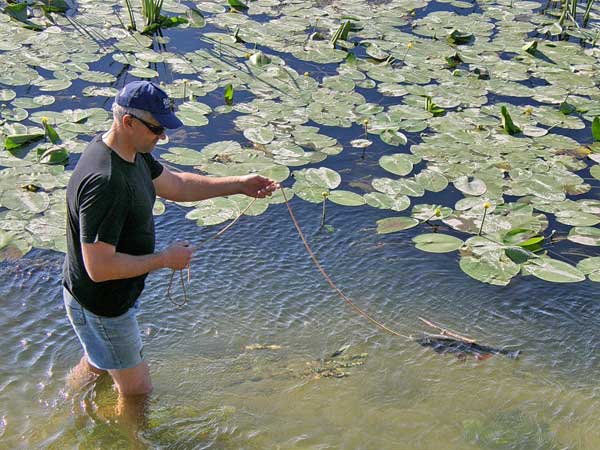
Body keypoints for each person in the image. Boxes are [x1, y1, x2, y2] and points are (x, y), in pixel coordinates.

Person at [62, 81, 279, 423]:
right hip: (105, 305)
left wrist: (238, 184)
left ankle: (63, 412)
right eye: (156, 128)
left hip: (90, 300)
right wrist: (165, 260)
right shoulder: (106, 182)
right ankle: (132, 443)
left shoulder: (131, 153)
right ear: (128, 121)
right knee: (137, 393)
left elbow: (177, 185)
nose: (162, 137)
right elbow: (99, 267)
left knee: (99, 360)